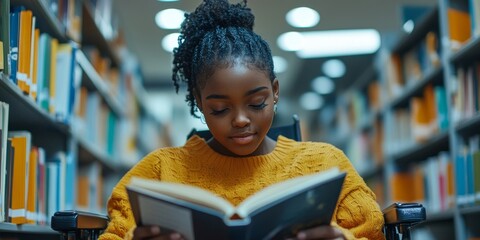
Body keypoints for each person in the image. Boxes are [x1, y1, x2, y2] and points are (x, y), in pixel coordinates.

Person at [98, 0, 385, 239]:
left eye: (256, 103)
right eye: (220, 109)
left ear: (274, 92)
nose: (240, 120)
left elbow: (373, 231)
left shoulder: (324, 164)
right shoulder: (159, 171)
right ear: (199, 103)